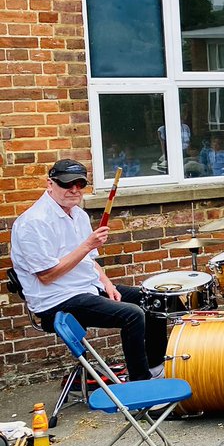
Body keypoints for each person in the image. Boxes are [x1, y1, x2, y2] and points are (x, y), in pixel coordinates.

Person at [10, 160, 164, 381]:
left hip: (87, 288)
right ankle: (141, 386)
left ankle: (155, 367)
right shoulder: (32, 223)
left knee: (154, 299)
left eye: (80, 184)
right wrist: (87, 245)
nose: (74, 190)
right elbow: (47, 276)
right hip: (56, 299)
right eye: (67, 184)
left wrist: (107, 283)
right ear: (49, 184)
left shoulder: (78, 215)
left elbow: (90, 261)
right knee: (132, 314)